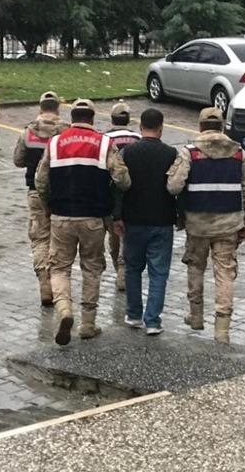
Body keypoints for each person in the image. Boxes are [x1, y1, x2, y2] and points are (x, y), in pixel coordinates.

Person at [35, 98, 131, 346]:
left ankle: (64, 309)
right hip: (93, 219)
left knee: (59, 267)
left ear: (72, 118)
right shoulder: (104, 144)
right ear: (92, 119)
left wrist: (47, 207)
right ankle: (88, 323)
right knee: (91, 268)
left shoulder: (55, 143)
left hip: (61, 217)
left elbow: (41, 181)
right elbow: (122, 180)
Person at [167, 107, 245, 345]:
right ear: (222, 126)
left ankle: (196, 316)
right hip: (229, 225)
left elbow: (173, 186)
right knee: (225, 274)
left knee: (195, 268)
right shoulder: (239, 153)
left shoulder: (190, 152)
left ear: (199, 127)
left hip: (197, 226)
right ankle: (222, 329)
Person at [112, 108, 177, 336]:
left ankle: (133, 315)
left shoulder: (128, 153)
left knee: (132, 269)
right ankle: (153, 321)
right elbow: (177, 188)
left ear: (140, 127)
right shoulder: (171, 154)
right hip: (162, 221)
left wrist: (117, 216)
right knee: (159, 272)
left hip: (133, 220)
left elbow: (119, 186)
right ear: (161, 127)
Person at [13, 91, 69, 307]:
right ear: (57, 109)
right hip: (62, 194)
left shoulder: (28, 132)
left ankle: (45, 284)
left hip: (35, 193)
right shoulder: (66, 131)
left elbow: (18, 160)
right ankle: (60, 286)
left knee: (40, 239)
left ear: (40, 109)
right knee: (60, 240)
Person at [104, 102, 142, 292]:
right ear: (128, 119)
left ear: (112, 119)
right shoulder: (138, 138)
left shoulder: (105, 139)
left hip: (112, 196)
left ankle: (119, 269)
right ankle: (123, 267)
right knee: (127, 234)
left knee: (114, 235)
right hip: (133, 195)